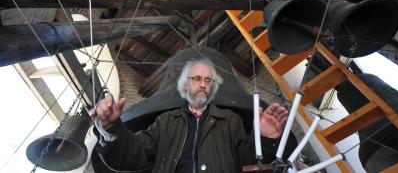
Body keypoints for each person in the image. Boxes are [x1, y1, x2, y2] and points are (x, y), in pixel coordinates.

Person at [90, 59, 289, 172]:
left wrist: (262, 138)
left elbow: (247, 163)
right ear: (185, 83)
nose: (203, 84)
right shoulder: (165, 122)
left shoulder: (230, 120)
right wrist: (112, 129)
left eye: (208, 80)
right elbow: (134, 156)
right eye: (197, 79)